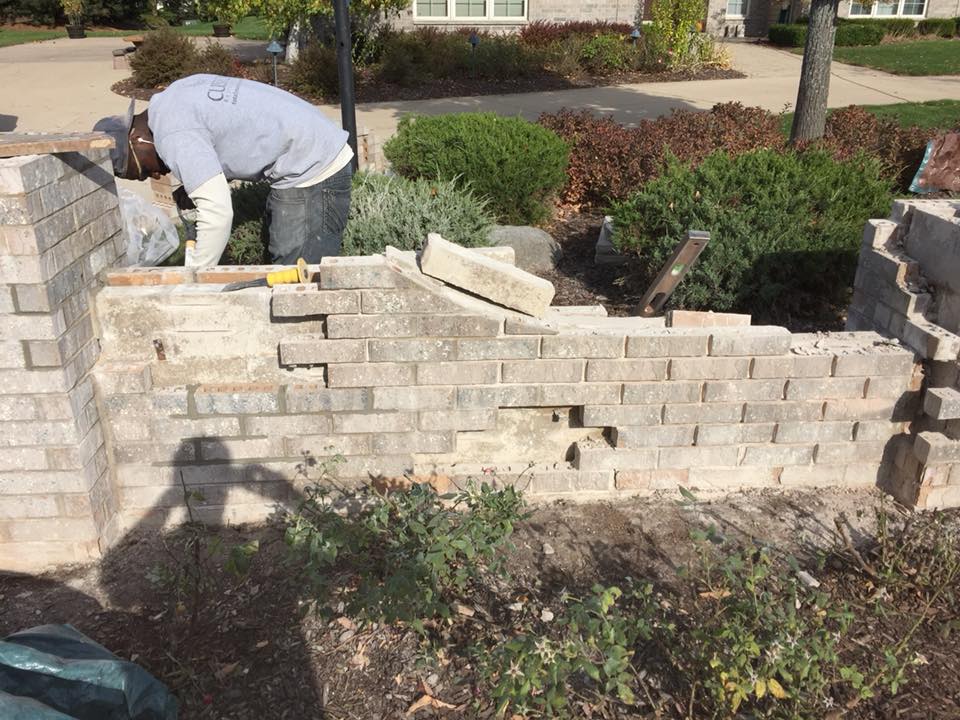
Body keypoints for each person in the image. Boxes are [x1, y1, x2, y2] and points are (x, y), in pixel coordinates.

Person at [94, 74, 354, 267]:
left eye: (142, 171)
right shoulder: (172, 98)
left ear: (137, 141)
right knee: (284, 266)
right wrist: (197, 181)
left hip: (312, 165)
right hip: (310, 146)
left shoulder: (173, 133)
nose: (155, 175)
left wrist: (195, 280)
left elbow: (217, 214)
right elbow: (224, 128)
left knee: (296, 277)